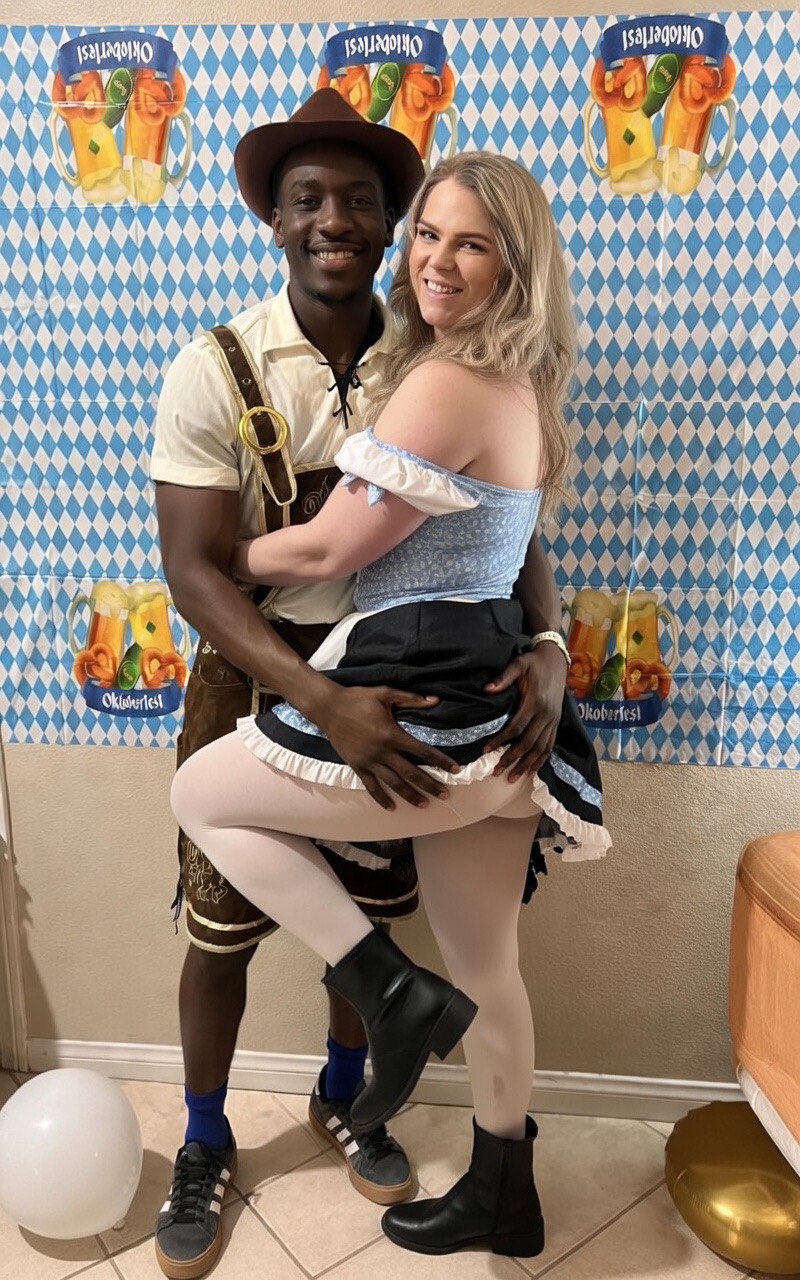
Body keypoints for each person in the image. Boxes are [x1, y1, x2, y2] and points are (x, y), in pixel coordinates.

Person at [151, 90, 571, 1278]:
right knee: (223, 927)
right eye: (307, 200)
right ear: (274, 219)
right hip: (278, 673)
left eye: (364, 204)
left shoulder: (431, 352)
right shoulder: (215, 367)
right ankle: (206, 1134)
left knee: (392, 928)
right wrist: (319, 692)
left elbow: (485, 534)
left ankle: (358, 1076)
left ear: (383, 221)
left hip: (416, 675)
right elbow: (193, 575)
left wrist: (551, 643)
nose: (336, 221)